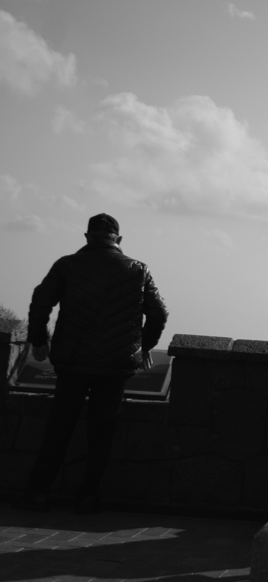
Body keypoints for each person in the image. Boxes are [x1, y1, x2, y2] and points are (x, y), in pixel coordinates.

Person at [16, 213, 169, 514]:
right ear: (119, 240)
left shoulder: (67, 265)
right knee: (102, 431)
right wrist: (145, 346)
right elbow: (159, 313)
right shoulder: (138, 269)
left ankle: (38, 492)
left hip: (72, 361)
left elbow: (40, 300)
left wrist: (38, 340)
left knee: (59, 427)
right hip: (116, 364)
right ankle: (88, 496)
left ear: (87, 237)